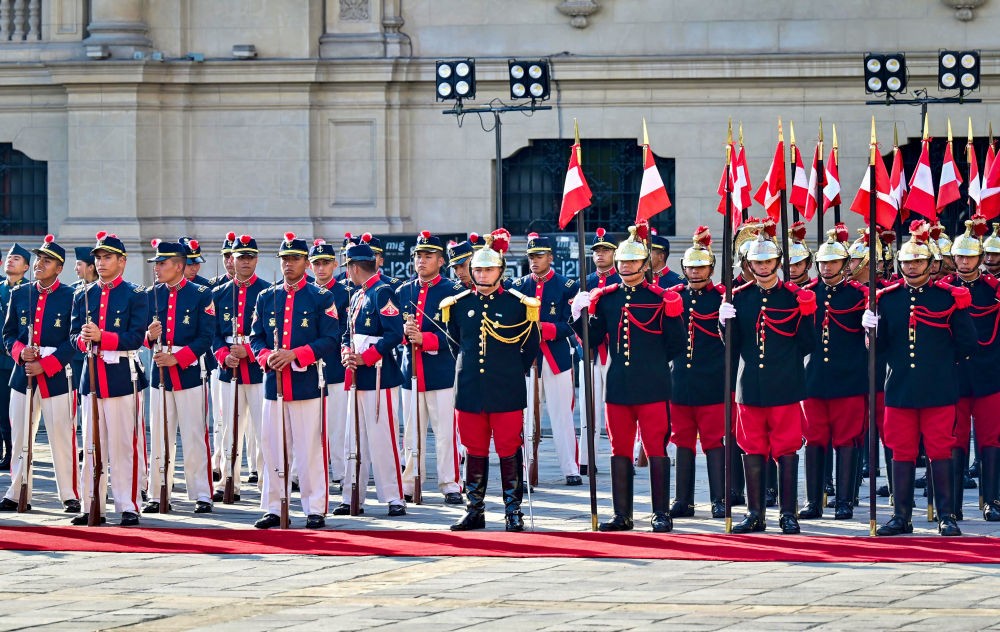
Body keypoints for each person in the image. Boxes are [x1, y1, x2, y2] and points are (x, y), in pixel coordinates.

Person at [571, 224, 686, 533]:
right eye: (622, 261)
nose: (625, 267)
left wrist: (675, 316)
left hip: (653, 385)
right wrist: (578, 315)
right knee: (619, 448)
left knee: (656, 449)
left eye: (632, 262)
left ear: (645, 263)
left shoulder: (660, 298)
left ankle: (661, 513)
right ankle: (622, 514)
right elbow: (592, 339)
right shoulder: (607, 298)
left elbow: (677, 345)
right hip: (619, 386)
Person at [869, 220, 976, 537]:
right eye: (906, 262)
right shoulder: (887, 299)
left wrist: (941, 363)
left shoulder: (949, 298)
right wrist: (870, 332)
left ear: (932, 264)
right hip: (900, 389)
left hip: (938, 388)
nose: (911, 267)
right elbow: (882, 346)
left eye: (917, 261)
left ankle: (946, 515)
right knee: (900, 452)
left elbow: (967, 342)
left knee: (940, 451)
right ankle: (900, 516)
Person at [719, 223, 816, 534]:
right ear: (749, 264)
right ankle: (755, 513)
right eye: (756, 262)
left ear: (777, 263)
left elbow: (807, 344)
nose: (761, 267)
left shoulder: (794, 297)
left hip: (785, 384)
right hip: (749, 387)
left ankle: (788, 513)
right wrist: (724, 323)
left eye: (767, 261)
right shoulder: (740, 297)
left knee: (786, 449)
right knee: (752, 448)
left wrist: (808, 314)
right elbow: (733, 347)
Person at [445, 229, 540, 532]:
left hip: (506, 387)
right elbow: (455, 344)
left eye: (488, 269)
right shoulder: (457, 304)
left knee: (509, 448)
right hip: (470, 387)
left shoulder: (518, 303)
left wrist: (512, 370)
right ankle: (475, 509)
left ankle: (513, 511)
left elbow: (531, 346)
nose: (482, 274)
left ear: (501, 270)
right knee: (474, 449)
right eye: (478, 269)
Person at [249, 232, 339, 529]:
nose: (288, 264)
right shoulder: (266, 296)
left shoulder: (321, 296)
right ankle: (273, 506)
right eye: (285, 259)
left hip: (306, 383)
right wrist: (264, 357)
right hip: (273, 384)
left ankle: (315, 507)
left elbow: (331, 338)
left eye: (295, 259)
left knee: (309, 448)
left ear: (307, 263)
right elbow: (256, 337)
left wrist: (296, 354)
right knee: (272, 446)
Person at [70, 232, 149, 526]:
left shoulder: (135, 294)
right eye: (98, 258)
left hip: (121, 377)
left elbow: (136, 337)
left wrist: (104, 337)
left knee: (121, 444)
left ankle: (128, 504)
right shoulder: (83, 294)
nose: (101, 263)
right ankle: (91, 504)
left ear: (122, 262)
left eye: (107, 258)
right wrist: (83, 341)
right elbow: (72, 334)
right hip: (91, 377)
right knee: (90, 445)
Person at [0, 236, 79, 513]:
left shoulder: (71, 296)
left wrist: (47, 364)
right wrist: (21, 352)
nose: (38, 264)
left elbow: (75, 340)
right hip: (23, 374)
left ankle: (69, 493)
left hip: (56, 375)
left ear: (59, 268)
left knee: (61, 435)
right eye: (37, 259)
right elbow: (8, 334)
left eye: (47, 261)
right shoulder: (20, 294)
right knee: (20, 434)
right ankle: (16, 490)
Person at [334, 235, 407, 517]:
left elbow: (394, 334)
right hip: (355, 375)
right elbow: (346, 332)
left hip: (379, 376)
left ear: (353, 267)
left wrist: (367, 356)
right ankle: (352, 495)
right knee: (354, 440)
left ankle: (393, 497)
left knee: (382, 439)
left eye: (347, 267)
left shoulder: (381, 292)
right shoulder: (357, 295)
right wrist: (344, 351)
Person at [141, 240, 216, 514]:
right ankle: (157, 492)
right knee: (159, 435)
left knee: (194, 434)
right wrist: (149, 336)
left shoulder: (200, 294)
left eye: (162, 263)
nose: (157, 268)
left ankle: (202, 494)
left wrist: (179, 358)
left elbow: (206, 337)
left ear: (179, 266)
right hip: (159, 372)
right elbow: (140, 334)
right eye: (157, 264)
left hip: (189, 373)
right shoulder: (151, 295)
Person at [798, 225, 867, 520]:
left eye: (833, 262)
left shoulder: (859, 295)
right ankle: (814, 500)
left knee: (847, 440)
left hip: (848, 379)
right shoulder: (807, 294)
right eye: (823, 262)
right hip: (813, 379)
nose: (827, 267)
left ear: (844, 264)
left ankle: (844, 500)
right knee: (813, 439)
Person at [397, 231, 464, 503]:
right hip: (409, 371)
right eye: (418, 256)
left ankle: (449, 484)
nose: (421, 261)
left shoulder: (453, 291)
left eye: (428, 256)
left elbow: (459, 333)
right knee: (411, 432)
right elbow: (391, 330)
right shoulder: (403, 290)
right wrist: (404, 332)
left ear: (440, 261)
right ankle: (412, 481)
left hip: (441, 372)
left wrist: (427, 339)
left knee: (445, 432)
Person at [667, 226, 727, 519]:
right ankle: (683, 500)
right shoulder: (674, 296)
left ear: (711, 269)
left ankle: (719, 498)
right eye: (690, 267)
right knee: (682, 439)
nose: (694, 272)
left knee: (714, 440)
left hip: (712, 381)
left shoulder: (721, 298)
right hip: (681, 381)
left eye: (700, 267)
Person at [513, 233, 582, 486]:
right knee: (525, 415)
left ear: (550, 258)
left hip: (556, 358)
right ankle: (525, 465)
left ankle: (570, 469)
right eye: (531, 256)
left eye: (539, 256)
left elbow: (571, 324)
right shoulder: (519, 286)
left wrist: (543, 328)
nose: (534, 260)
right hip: (527, 359)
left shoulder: (567, 286)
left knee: (562, 414)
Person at [945, 216, 1000, 522]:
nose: (964, 261)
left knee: (991, 439)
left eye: (970, 256)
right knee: (954, 438)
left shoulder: (994, 290)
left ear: (980, 258)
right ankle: (952, 504)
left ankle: (991, 499)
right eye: (960, 256)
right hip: (954, 376)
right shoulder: (944, 290)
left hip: (989, 373)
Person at [211, 234, 270, 501]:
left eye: (249, 257)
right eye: (239, 257)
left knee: (263, 430)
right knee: (228, 429)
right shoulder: (219, 293)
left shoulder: (268, 293)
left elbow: (273, 333)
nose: (244, 262)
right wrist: (223, 354)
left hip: (258, 370)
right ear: (230, 260)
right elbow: (211, 333)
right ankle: (227, 481)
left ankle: (267, 482)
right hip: (228, 369)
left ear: (256, 259)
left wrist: (250, 351)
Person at [307, 238, 351, 491]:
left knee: (336, 424)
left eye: (325, 263)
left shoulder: (345, 293)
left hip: (335, 366)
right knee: (309, 426)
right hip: (307, 367)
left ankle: (340, 470)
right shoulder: (306, 292)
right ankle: (306, 470)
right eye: (316, 264)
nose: (321, 269)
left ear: (335, 264)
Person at [578, 227, 620, 477]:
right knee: (588, 409)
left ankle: (620, 456)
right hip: (591, 353)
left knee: (616, 409)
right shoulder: (587, 282)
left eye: (605, 250)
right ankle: (586, 458)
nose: (600, 255)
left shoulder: (620, 280)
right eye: (597, 251)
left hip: (614, 352)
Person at [0, 243, 30, 469]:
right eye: (9, 258)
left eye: (16, 258)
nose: (10, 261)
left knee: (13, 409)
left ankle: (14, 453)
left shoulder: (30, 291)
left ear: (26, 267)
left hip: (16, 359)